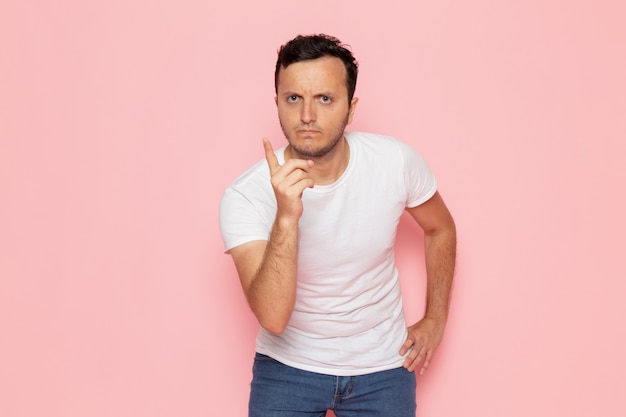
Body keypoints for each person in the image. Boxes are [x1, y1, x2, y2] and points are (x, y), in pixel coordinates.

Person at [219, 33, 456, 417]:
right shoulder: (245, 195)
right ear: (277, 103)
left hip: (384, 368)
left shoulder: (395, 163)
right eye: (293, 98)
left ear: (351, 106)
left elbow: (441, 228)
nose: (307, 116)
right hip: (286, 371)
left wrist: (436, 319)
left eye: (324, 99)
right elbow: (273, 317)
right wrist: (285, 216)